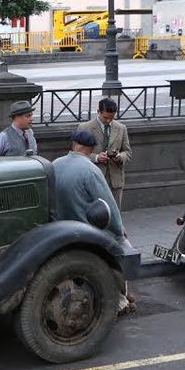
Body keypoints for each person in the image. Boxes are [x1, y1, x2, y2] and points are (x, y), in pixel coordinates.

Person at [52, 130, 135, 313]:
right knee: (122, 250)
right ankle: (121, 301)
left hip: (57, 229)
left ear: (73, 144)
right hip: (85, 231)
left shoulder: (55, 164)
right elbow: (108, 206)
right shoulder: (91, 170)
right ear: (91, 149)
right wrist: (119, 231)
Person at [76, 98, 132, 206]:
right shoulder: (84, 128)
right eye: (105, 117)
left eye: (111, 118)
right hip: (93, 180)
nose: (108, 121)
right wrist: (96, 157)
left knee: (115, 213)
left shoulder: (121, 128)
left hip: (114, 181)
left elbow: (128, 152)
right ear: (98, 112)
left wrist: (120, 156)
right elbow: (77, 154)